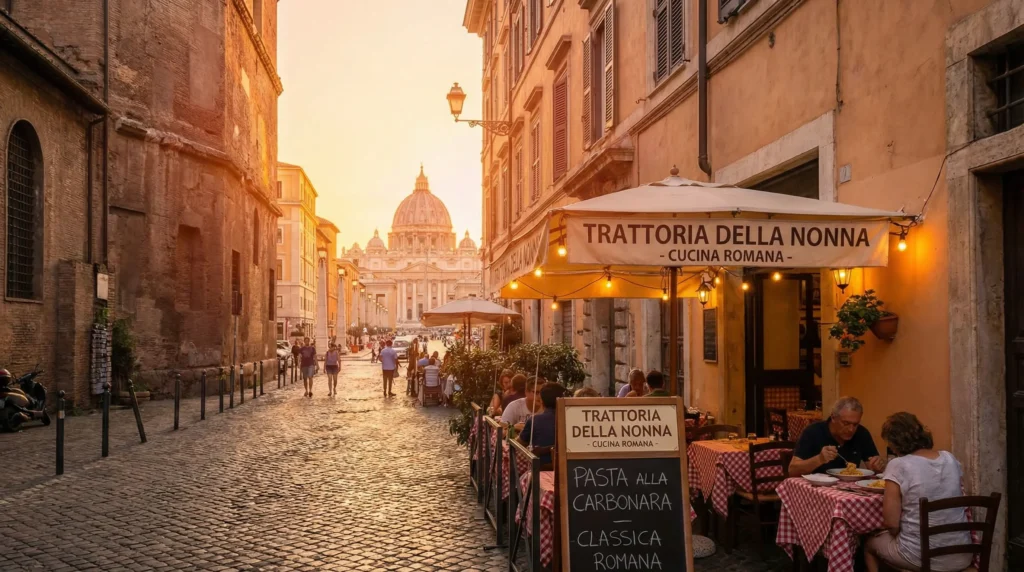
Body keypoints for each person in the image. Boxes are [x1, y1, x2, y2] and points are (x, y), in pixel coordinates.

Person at [865, 413, 971, 572]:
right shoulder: (949, 458)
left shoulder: (899, 465)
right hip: (962, 554)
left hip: (922, 557)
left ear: (894, 443)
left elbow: (891, 524)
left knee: (869, 544)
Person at [789, 396, 884, 476]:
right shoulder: (813, 432)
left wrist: (877, 466)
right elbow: (792, 471)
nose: (851, 429)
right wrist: (819, 459)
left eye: (855, 424)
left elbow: (873, 468)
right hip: (816, 490)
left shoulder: (862, 433)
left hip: (849, 492)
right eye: (846, 423)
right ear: (833, 417)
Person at [519, 382, 567, 465]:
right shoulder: (570, 419)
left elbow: (519, 444)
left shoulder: (534, 420)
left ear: (541, 400)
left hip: (539, 471)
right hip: (570, 470)